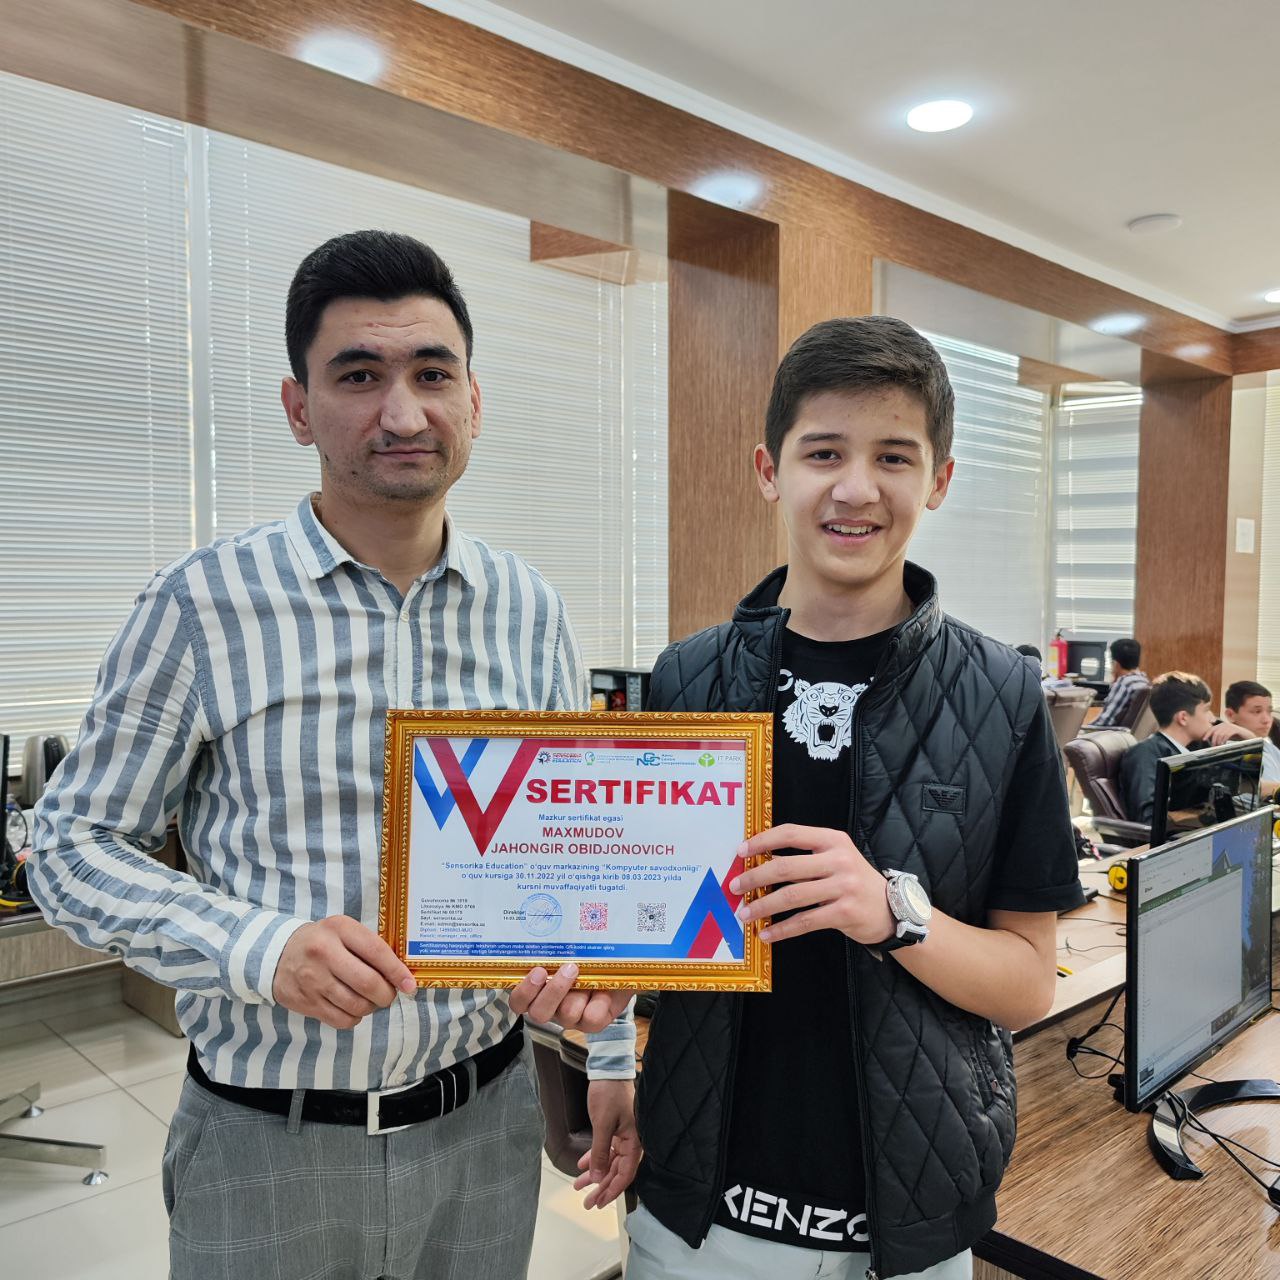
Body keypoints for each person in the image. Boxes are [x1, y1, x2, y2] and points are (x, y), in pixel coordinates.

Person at [29, 230, 636, 1280]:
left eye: (431, 374)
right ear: (299, 407)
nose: (402, 413)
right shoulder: (202, 603)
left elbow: (577, 858)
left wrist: (607, 1051)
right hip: (268, 1143)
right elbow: (69, 847)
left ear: (473, 398)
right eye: (358, 376)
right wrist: (260, 947)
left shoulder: (527, 607)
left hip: (484, 1129)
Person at [592, 317, 1083, 1280]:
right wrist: (604, 1044)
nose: (856, 488)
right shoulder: (688, 678)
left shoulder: (1001, 694)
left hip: (908, 1227)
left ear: (938, 479)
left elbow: (1029, 982)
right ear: (769, 470)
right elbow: (630, 920)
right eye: (824, 452)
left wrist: (892, 912)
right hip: (699, 1214)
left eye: (893, 456)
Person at [1116, 671, 1220, 824]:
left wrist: (1243, 734)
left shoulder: (1197, 748)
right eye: (1206, 710)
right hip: (1179, 836)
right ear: (1183, 718)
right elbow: (1150, 819)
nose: (1212, 718)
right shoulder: (1145, 755)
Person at [1223, 680, 1280, 801]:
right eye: (1257, 711)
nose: (1266, 720)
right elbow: (1249, 789)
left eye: (1269, 711)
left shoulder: (1270, 748)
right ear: (1231, 715)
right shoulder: (1228, 752)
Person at [1087, 637, 1149, 729]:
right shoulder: (1144, 681)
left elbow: (1105, 721)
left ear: (1115, 664)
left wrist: (1082, 728)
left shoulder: (1124, 683)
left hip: (1107, 734)